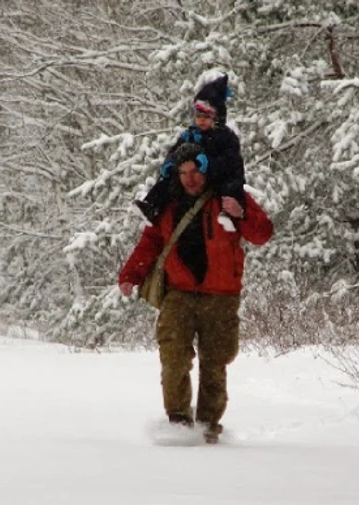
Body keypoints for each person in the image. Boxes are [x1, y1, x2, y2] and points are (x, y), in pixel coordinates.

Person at [118, 142, 273, 444]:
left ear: (206, 170)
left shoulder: (230, 198)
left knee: (215, 363)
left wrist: (240, 214)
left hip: (221, 296)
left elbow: (262, 233)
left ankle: (207, 427)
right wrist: (130, 275)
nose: (190, 178)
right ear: (176, 174)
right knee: (173, 358)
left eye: (195, 171)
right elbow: (150, 242)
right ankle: (178, 424)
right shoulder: (168, 205)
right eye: (183, 172)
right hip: (179, 294)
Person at [134, 74, 246, 225]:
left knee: (230, 187)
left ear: (217, 118)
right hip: (194, 180)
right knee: (167, 183)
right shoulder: (190, 135)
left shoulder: (225, 137)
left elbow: (231, 161)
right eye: (198, 116)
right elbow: (175, 151)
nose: (201, 120)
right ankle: (152, 206)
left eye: (206, 117)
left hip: (219, 179)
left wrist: (210, 164)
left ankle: (228, 215)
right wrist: (169, 163)